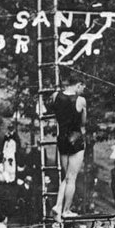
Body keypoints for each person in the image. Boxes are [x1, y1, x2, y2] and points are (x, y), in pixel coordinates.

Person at [50, 81, 87, 218]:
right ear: (77, 85)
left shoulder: (55, 96)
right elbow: (83, 122)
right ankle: (66, 210)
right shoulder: (81, 100)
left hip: (62, 139)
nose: (82, 90)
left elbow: (55, 112)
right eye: (82, 87)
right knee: (72, 178)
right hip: (75, 138)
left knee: (66, 177)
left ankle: (58, 206)